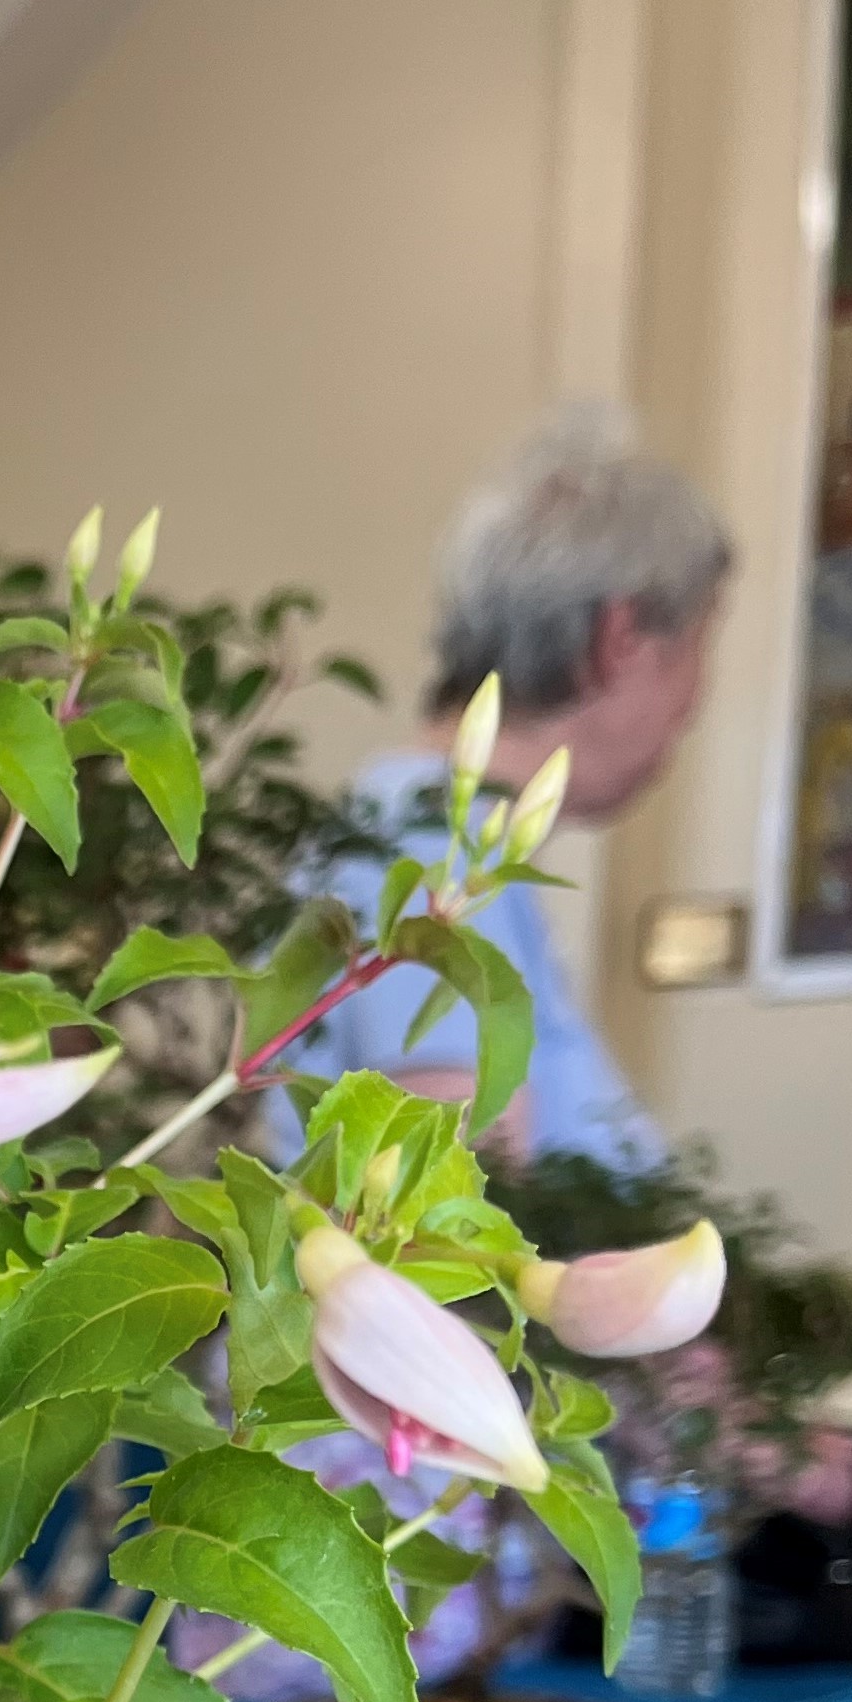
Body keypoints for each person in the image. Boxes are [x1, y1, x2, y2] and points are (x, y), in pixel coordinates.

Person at [289, 410, 733, 1172]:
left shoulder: (439, 837)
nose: (695, 702)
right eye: (696, 645)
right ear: (621, 639)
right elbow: (448, 1191)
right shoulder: (422, 842)